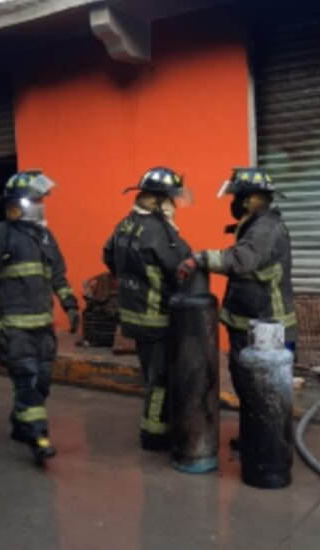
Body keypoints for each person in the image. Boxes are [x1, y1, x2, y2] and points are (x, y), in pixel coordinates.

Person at [176, 167, 296, 442]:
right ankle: (257, 437)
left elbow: (242, 260)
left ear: (251, 198)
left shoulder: (265, 228)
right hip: (252, 322)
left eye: (238, 196)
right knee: (251, 386)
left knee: (261, 387)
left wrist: (200, 258)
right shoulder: (259, 223)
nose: (234, 202)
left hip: (266, 327)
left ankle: (266, 444)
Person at [0, 170, 79, 464]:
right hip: (14, 327)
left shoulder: (45, 237)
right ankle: (38, 437)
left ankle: (21, 421)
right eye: (35, 199)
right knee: (28, 380)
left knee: (42, 382)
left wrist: (70, 303)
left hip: (43, 326)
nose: (40, 204)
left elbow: (57, 274)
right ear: (17, 203)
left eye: (40, 199)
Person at [103, 166, 194, 451]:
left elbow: (108, 255)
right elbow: (183, 268)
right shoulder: (161, 233)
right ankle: (153, 434)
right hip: (157, 319)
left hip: (133, 316)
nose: (175, 205)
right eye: (171, 199)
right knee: (161, 378)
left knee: (152, 372)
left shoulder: (125, 224)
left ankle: (158, 425)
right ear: (157, 200)